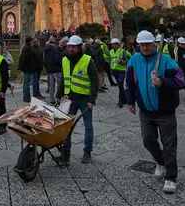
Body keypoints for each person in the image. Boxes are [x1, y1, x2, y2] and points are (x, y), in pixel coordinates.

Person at [125, 30, 185, 194]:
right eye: (142, 45)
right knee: (148, 140)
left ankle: (171, 177)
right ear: (138, 45)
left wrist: (163, 82)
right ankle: (160, 162)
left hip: (165, 111)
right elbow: (128, 82)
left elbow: (181, 80)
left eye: (148, 44)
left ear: (154, 44)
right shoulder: (134, 60)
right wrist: (130, 101)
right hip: (145, 111)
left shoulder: (166, 61)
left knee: (169, 145)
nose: (145, 47)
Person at [56, 35, 99, 164]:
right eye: (69, 46)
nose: (71, 49)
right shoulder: (65, 60)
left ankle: (87, 152)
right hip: (71, 98)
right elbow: (64, 79)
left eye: (74, 47)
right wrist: (59, 94)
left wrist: (92, 99)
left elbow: (95, 80)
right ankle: (66, 153)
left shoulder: (87, 61)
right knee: (66, 127)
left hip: (85, 99)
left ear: (80, 48)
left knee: (88, 127)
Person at [109, 38, 131, 107]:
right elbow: (110, 61)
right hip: (114, 71)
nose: (113, 45)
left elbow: (127, 61)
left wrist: (121, 61)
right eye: (112, 44)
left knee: (120, 83)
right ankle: (125, 99)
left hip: (121, 70)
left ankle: (120, 101)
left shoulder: (122, 51)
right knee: (120, 86)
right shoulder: (111, 52)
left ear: (118, 45)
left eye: (115, 44)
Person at [44, 37, 64, 105]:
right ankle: (58, 98)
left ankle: (51, 99)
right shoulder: (54, 49)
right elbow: (57, 59)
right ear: (54, 42)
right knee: (59, 85)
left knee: (51, 86)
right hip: (56, 69)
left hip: (49, 70)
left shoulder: (45, 49)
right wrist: (61, 65)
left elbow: (45, 60)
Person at [18, 37, 36, 102]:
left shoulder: (25, 48)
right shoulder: (28, 48)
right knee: (27, 84)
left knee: (26, 83)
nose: (32, 42)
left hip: (26, 68)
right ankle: (26, 98)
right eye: (31, 40)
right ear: (29, 41)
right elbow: (25, 58)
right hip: (28, 68)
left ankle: (25, 97)